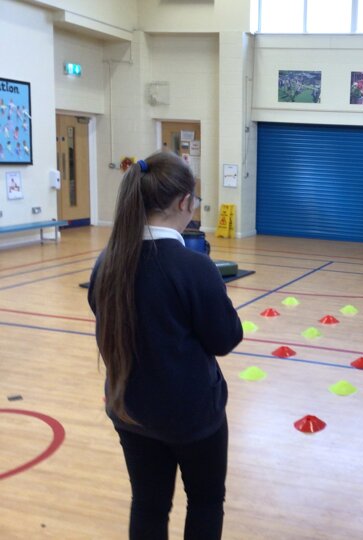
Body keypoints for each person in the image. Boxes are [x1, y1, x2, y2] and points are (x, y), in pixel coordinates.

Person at [87, 152, 243, 539]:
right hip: (192, 416)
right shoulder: (195, 268)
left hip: (130, 409)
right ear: (184, 202)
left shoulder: (107, 263)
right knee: (205, 502)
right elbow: (225, 338)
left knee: (148, 504)